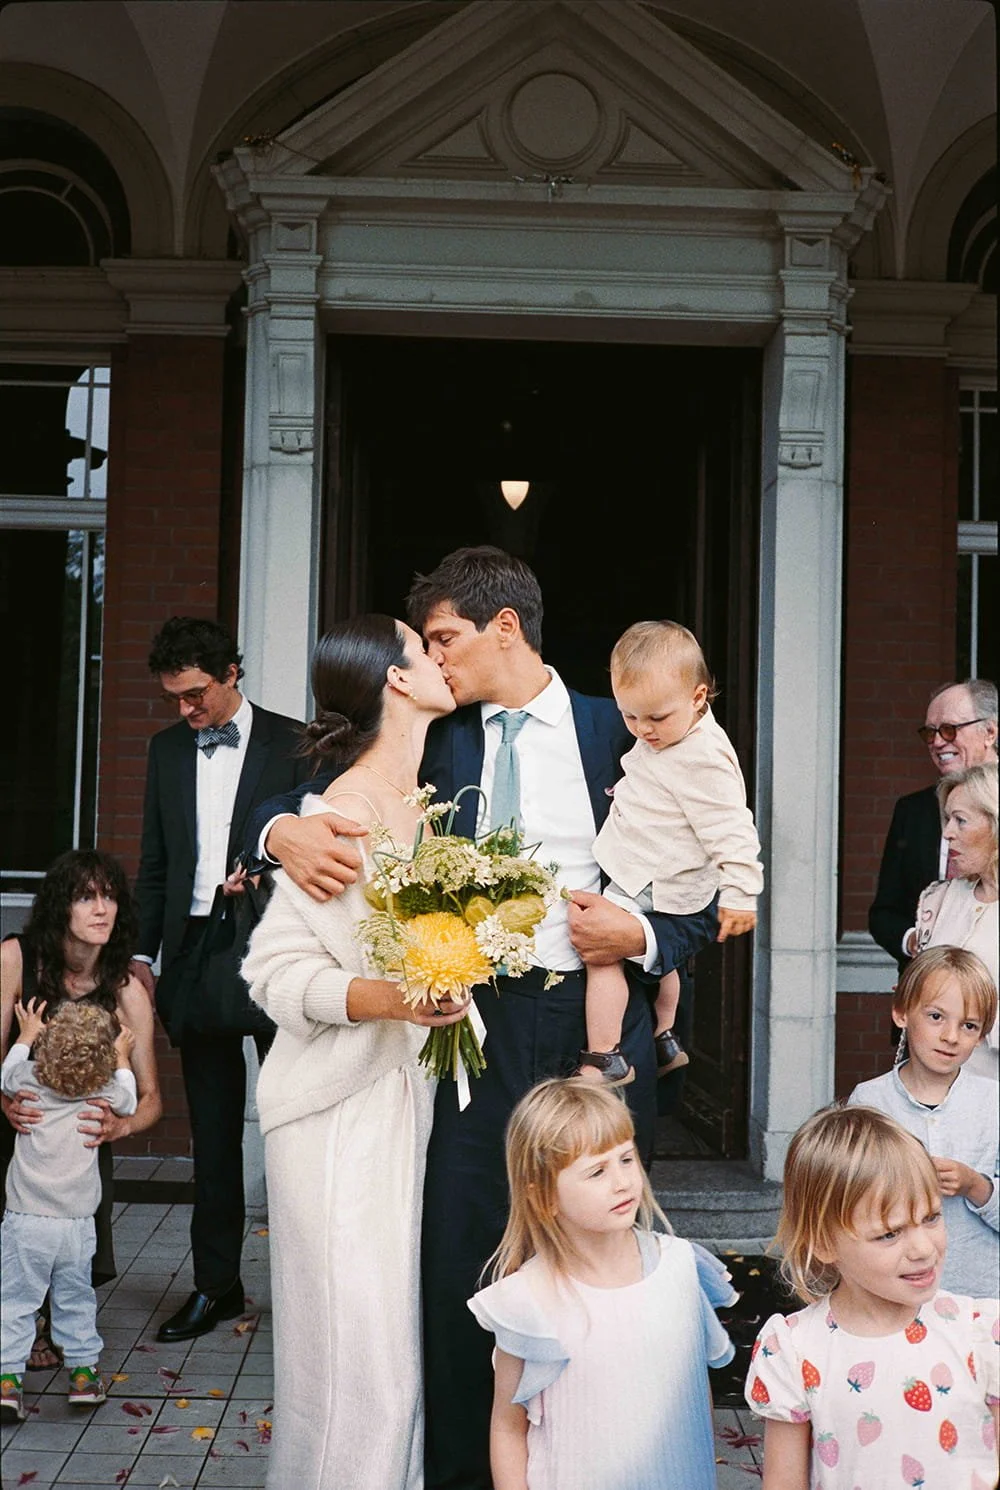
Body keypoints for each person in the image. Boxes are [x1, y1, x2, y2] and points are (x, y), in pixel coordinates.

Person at [246, 546, 720, 1489]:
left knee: (600, 1251)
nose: (434, 659)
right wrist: (278, 830)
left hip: (598, 1032)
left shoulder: (620, 730)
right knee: (463, 1260)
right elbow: (322, 783)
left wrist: (640, 935)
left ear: (505, 627)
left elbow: (704, 889)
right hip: (470, 1030)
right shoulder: (437, 735)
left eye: (444, 638)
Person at [241, 614, 469, 1490]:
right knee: (357, 1366)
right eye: (424, 645)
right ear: (397, 680)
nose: (442, 657)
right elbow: (274, 973)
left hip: (405, 1105)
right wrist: (398, 999)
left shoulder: (425, 805)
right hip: (335, 1113)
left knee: (389, 1360)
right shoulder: (338, 815)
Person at [132, 616, 311, 1343]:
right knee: (212, 1137)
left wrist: (263, 878)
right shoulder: (166, 750)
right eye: (174, 698)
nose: (186, 709)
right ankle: (217, 1287)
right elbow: (154, 863)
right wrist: (142, 958)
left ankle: (307, 1293)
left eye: (196, 694)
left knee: (294, 1127)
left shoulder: (296, 743)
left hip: (275, 950)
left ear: (231, 673)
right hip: (194, 958)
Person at [468, 1078, 736, 1490]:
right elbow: (507, 1427)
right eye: (597, 1171)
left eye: (626, 1159)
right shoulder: (527, 1301)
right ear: (544, 1198)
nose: (622, 1181)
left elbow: (696, 1396)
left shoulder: (681, 1268)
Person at [744, 1104, 1000, 1490]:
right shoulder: (793, 1349)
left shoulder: (983, 1333)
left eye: (931, 1217)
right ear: (824, 1243)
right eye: (889, 1234)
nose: (923, 1249)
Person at [0, 849, 161, 1370]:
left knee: (79, 1204)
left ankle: (53, 1318)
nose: (101, 909)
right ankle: (22, 1317)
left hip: (80, 1140)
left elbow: (151, 1098)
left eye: (109, 897)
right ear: (59, 906)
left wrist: (120, 1124)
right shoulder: (16, 958)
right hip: (17, 1126)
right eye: (86, 897)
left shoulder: (126, 989)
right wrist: (5, 1103)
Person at [581, 620, 761, 1081]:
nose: (643, 729)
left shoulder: (703, 757)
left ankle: (605, 1056)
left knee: (602, 954)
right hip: (662, 873)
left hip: (649, 875)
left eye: (656, 718)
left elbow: (733, 828)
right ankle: (665, 1037)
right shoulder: (674, 734)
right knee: (664, 963)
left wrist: (741, 893)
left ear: (698, 697)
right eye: (630, 716)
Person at [0, 998, 136, 1422]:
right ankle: (82, 1377)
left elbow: (5, 1074)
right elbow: (130, 1101)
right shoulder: (104, 1091)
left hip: (25, 1220)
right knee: (75, 1299)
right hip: (76, 1225)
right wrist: (123, 1057)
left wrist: (25, 1034)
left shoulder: (27, 1080)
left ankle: (7, 1383)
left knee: (15, 1301)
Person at [848, 946, 998, 1296]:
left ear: (981, 1035)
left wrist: (975, 1186)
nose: (951, 1036)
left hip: (981, 1294)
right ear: (901, 1013)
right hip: (894, 1294)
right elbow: (850, 1206)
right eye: (936, 1017)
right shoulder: (869, 1102)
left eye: (969, 1025)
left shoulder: (993, 1102)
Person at [869, 678, 997, 969]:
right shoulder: (912, 810)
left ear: (989, 732)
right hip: (929, 987)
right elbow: (884, 913)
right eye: (930, 733)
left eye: (950, 729)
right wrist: (919, 944)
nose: (938, 742)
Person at [906, 762, 998, 1078]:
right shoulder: (938, 899)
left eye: (960, 820)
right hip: (931, 1090)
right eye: (947, 820)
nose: (947, 833)